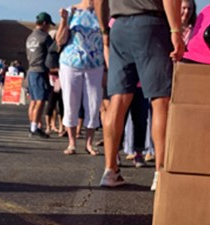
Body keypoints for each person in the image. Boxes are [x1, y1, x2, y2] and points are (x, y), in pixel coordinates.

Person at [93, 0, 185, 190]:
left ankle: (110, 170)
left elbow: (99, 1)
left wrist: (104, 31)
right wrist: (176, 31)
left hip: (119, 26)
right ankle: (160, 173)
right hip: (151, 24)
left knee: (118, 99)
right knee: (160, 100)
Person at [55, 2, 105, 155]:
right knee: (70, 102)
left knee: (93, 104)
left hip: (96, 64)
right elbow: (60, 40)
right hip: (71, 63)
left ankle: (89, 143)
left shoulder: (103, 11)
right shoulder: (71, 11)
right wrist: (64, 20)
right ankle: (72, 142)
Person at [25, 12, 56, 138]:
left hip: (30, 70)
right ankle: (35, 127)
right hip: (40, 70)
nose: (49, 28)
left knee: (33, 101)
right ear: (44, 23)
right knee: (41, 100)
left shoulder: (30, 37)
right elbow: (53, 51)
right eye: (48, 25)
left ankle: (32, 125)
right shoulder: (44, 37)